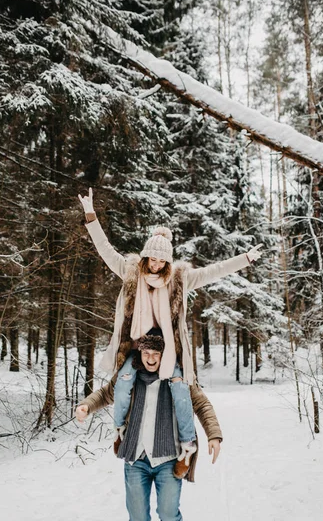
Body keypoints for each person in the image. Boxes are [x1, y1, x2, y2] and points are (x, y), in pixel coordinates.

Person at [77, 188, 262, 473]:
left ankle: (187, 447)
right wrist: (91, 216)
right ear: (145, 257)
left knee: (181, 389)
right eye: (153, 259)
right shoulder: (130, 273)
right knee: (123, 382)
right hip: (138, 348)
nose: (157, 265)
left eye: (163, 261)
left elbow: (215, 270)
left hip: (168, 350)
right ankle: (120, 432)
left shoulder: (179, 279)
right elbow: (105, 250)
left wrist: (245, 259)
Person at [75, 331, 223, 521]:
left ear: (163, 356)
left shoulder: (178, 379)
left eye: (156, 354)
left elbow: (201, 405)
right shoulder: (128, 377)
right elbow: (104, 394)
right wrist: (86, 406)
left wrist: (214, 435)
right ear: (140, 353)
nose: (151, 358)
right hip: (135, 458)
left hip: (168, 459)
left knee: (168, 513)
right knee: (138, 518)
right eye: (147, 353)